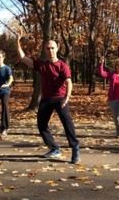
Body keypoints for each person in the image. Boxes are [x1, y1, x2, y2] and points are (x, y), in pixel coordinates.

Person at [16, 35, 80, 164]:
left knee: (67, 124)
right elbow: (23, 58)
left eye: (52, 48)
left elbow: (69, 82)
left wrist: (67, 98)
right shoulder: (42, 64)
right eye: (48, 48)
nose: (50, 50)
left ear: (57, 49)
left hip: (60, 98)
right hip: (46, 99)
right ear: (45, 50)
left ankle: (75, 148)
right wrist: (17, 41)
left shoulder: (62, 66)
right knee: (41, 125)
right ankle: (54, 148)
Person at [96, 57, 119, 138]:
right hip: (114, 98)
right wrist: (101, 64)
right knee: (116, 116)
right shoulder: (112, 74)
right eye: (118, 66)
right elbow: (102, 74)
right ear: (115, 67)